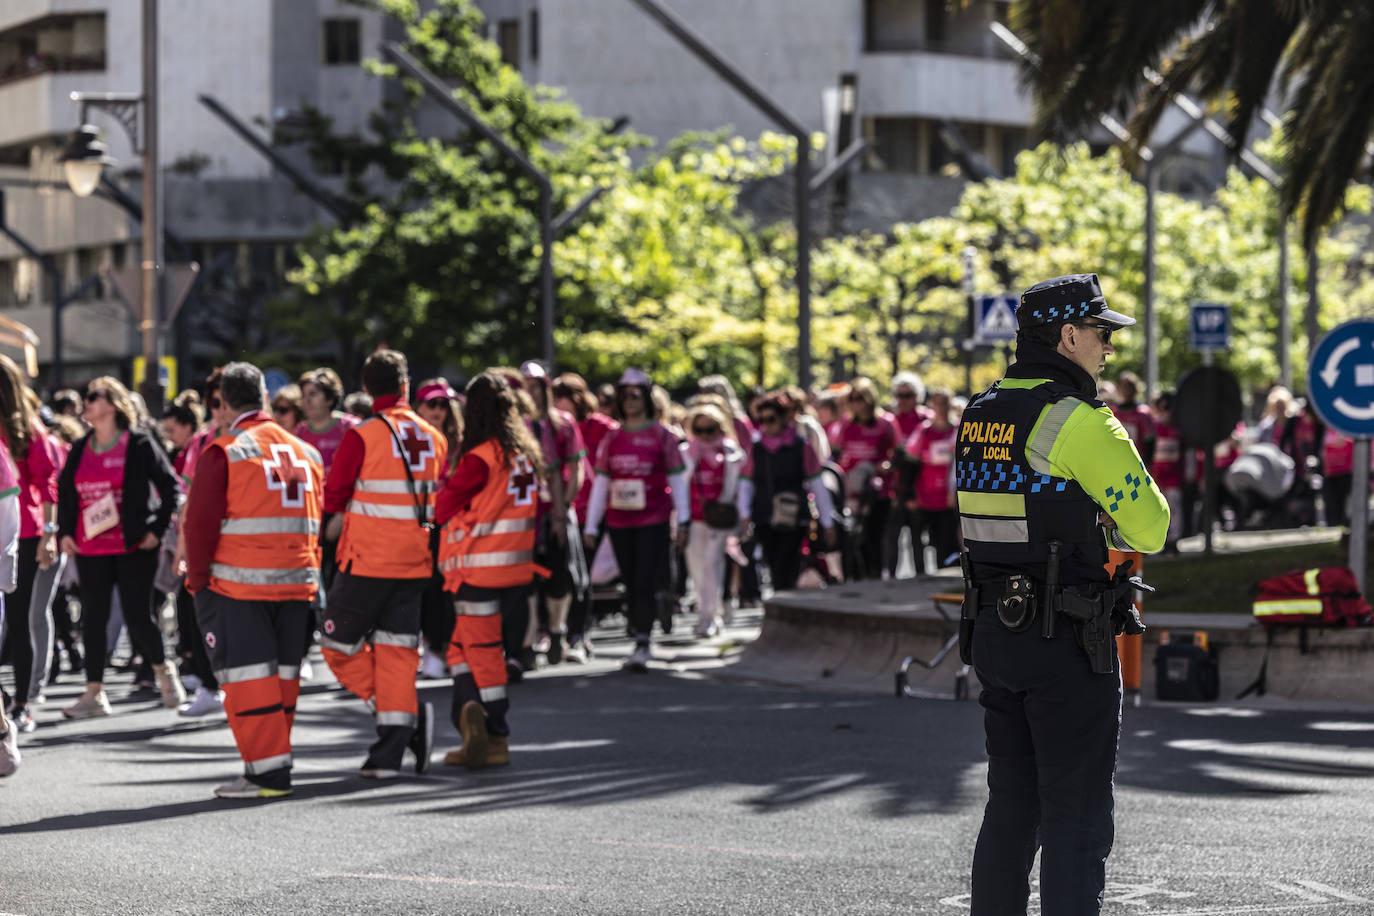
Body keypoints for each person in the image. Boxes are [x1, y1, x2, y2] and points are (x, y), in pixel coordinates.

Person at [956, 273, 1168, 915]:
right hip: (1067, 641)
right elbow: (1151, 527)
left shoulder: (979, 412)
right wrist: (1099, 517)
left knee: (1011, 809)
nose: (1107, 349)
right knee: (1075, 819)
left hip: (994, 632)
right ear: (1068, 335)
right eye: (1102, 334)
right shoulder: (1074, 419)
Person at [181, 363, 324, 799]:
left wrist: (198, 584)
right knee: (281, 680)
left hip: (239, 586)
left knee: (249, 681)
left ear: (222, 402)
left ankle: (266, 775)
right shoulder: (307, 452)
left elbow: (199, 528)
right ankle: (271, 768)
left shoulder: (224, 451)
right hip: (298, 583)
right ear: (263, 397)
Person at [319, 349, 446, 779]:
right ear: (406, 386)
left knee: (336, 646)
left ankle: (403, 723)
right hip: (414, 561)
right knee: (396, 655)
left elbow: (334, 495)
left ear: (366, 388)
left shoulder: (363, 435)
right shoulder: (435, 436)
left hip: (368, 561)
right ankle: (390, 751)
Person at [57, 377, 183, 718]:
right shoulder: (81, 447)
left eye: (93, 396)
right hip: (91, 548)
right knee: (93, 619)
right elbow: (66, 494)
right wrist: (65, 532)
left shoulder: (139, 444)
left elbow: (171, 487)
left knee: (138, 616)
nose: (87, 401)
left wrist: (156, 529)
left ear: (112, 404)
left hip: (133, 547)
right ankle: (94, 695)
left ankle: (164, 671)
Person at [435, 371, 542, 769]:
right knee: (461, 650)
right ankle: (470, 723)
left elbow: (442, 508)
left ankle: (494, 732)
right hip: (515, 571)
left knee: (480, 654)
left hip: (478, 572)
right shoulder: (525, 455)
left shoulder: (481, 460)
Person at [582, 368, 689, 672]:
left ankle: (643, 639)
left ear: (646, 396)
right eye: (624, 395)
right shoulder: (612, 438)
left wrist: (683, 522)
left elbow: (678, 481)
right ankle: (641, 627)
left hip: (653, 520)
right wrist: (591, 525)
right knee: (629, 580)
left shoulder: (662, 437)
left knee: (644, 578)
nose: (630, 401)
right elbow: (601, 483)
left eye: (635, 394)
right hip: (619, 524)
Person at [0, 359, 64, 732]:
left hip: (22, 532)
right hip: (11, 530)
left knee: (21, 617)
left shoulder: (28, 430)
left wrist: (50, 532)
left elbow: (48, 480)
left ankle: (22, 704)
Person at [520, 361, 587, 666]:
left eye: (534, 387)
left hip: (556, 512)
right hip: (524, 515)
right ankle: (532, 638)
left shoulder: (562, 423)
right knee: (528, 579)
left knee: (560, 576)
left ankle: (558, 630)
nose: (529, 393)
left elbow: (576, 470)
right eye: (524, 387)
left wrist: (564, 509)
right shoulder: (514, 426)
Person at [737, 392, 836, 592]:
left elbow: (817, 484)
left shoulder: (801, 446)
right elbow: (746, 484)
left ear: (783, 418)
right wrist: (744, 515)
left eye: (771, 419)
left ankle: (786, 603)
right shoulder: (756, 448)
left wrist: (828, 523)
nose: (766, 425)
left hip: (795, 518)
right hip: (765, 517)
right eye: (761, 420)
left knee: (788, 565)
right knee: (774, 567)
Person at [552, 372, 616, 662]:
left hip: (593, 511)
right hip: (562, 509)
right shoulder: (552, 427)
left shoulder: (603, 428)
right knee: (560, 575)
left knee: (582, 576)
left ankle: (580, 634)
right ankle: (556, 631)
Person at [415, 377, 463, 679]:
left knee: (447, 590)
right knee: (426, 589)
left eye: (444, 404)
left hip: (452, 526)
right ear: (418, 406)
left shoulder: (460, 442)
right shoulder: (411, 438)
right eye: (432, 403)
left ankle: (444, 650)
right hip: (421, 524)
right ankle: (431, 648)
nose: (438, 410)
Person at [682, 402, 744, 637]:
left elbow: (738, 486)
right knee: (696, 568)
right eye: (699, 430)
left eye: (710, 429)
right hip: (694, 518)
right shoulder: (686, 452)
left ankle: (709, 617)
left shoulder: (731, 452)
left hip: (720, 517)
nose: (705, 436)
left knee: (712, 564)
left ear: (720, 428)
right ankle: (707, 611)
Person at [836, 377, 897, 580]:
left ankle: (877, 578)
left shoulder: (885, 423)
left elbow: (900, 453)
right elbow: (836, 452)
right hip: (852, 493)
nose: (856, 402)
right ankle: (858, 581)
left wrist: (888, 466)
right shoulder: (846, 424)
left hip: (878, 492)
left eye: (860, 398)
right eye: (852, 398)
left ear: (870, 398)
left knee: (875, 537)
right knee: (854, 539)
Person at [899, 387, 959, 572]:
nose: (940, 408)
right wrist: (908, 494)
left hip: (947, 498)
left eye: (944, 404)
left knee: (946, 539)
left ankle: (946, 574)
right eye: (937, 404)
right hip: (924, 495)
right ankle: (920, 575)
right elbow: (910, 463)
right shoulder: (923, 431)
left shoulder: (957, 430)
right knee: (919, 537)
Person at [294, 368, 360, 475]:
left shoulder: (351, 426)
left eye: (312, 394)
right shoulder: (299, 432)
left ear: (330, 399)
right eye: (303, 395)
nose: (306, 401)